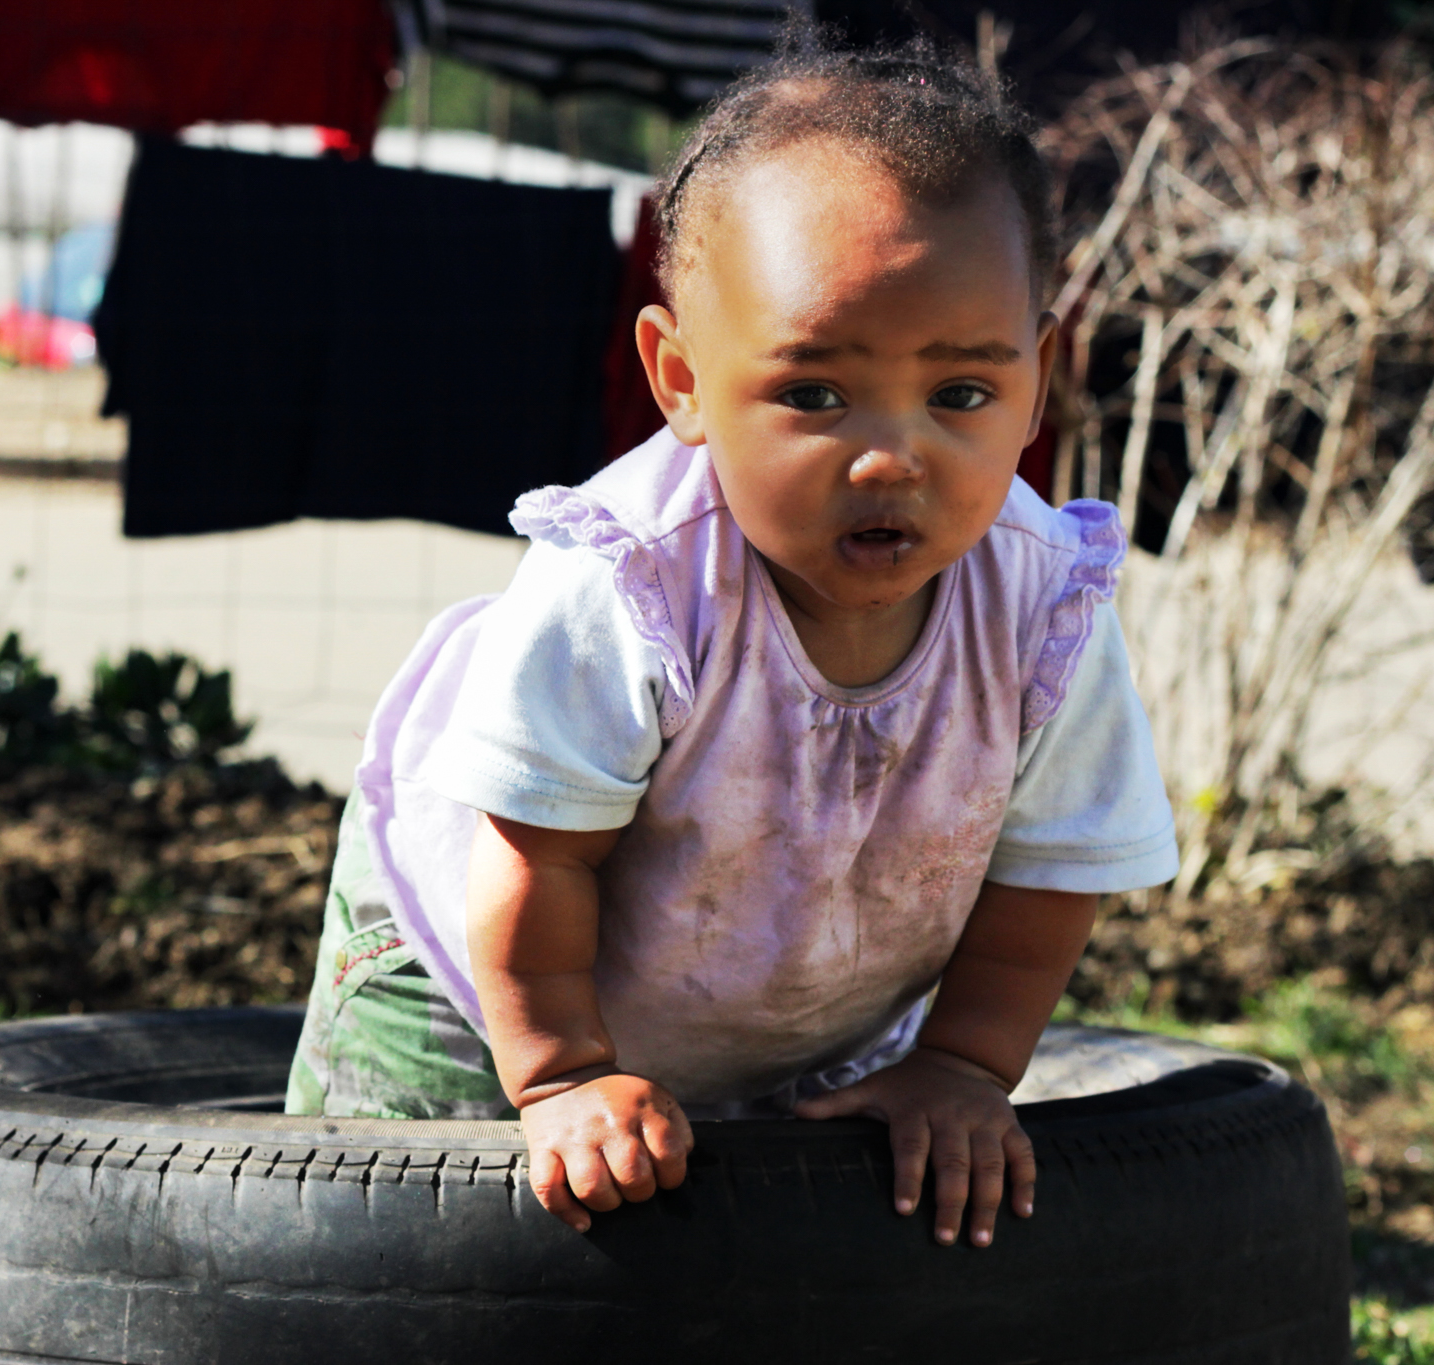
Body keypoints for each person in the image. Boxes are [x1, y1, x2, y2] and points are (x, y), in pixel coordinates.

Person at [286, 29, 1179, 1254]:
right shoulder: (632, 584)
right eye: (812, 394)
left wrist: (965, 1067)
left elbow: (1045, 878)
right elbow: (533, 858)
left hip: (762, 985)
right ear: (680, 380)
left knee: (707, 1260)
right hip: (468, 962)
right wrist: (558, 1079)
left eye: (961, 395)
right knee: (383, 1250)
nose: (890, 455)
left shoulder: (1043, 612)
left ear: (1034, 379)